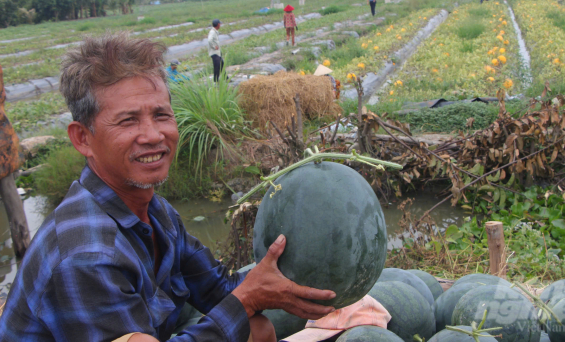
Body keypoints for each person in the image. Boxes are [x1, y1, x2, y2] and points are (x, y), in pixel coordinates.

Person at [0, 33, 336, 342]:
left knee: (256, 327)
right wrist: (247, 298)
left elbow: (219, 288)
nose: (152, 135)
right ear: (83, 138)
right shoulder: (87, 255)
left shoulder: (155, 213)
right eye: (128, 120)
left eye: (161, 115)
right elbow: (239, 299)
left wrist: (313, 282)